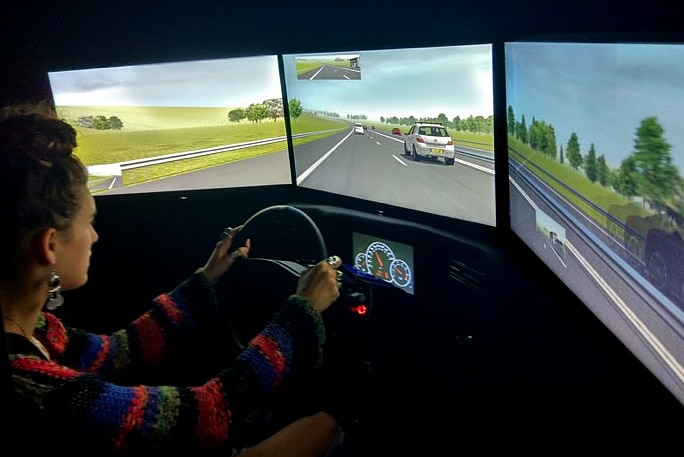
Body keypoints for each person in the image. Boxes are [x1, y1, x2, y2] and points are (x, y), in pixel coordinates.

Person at [0, 100, 345, 455]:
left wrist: (206, 278)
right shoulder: (32, 389)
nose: (95, 236)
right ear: (50, 245)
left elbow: (120, 351)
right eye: (89, 223)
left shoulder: (37, 328)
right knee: (331, 422)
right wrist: (301, 309)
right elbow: (205, 414)